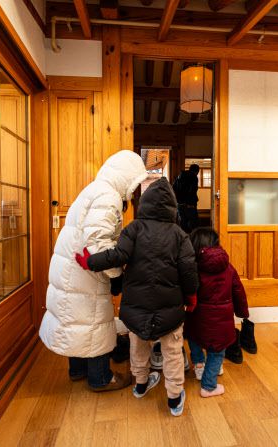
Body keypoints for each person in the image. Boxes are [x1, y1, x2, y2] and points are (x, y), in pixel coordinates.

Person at [75, 178, 199, 416]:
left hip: (136, 306)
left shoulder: (134, 228)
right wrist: (191, 296)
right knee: (173, 352)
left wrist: (90, 262)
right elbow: (188, 270)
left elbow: (117, 255)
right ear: (172, 207)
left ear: (145, 203)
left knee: (138, 346)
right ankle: (174, 398)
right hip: (170, 307)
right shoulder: (179, 234)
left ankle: (140, 385)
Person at [38, 150, 148, 392]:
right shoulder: (108, 196)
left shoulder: (94, 189)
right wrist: (117, 275)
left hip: (71, 267)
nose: (134, 191)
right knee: (93, 319)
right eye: (134, 184)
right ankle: (100, 378)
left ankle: (77, 370)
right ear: (126, 177)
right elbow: (98, 244)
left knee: (75, 317)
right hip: (85, 269)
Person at [184, 228, 249, 397]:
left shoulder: (193, 267)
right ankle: (209, 386)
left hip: (197, 316)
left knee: (194, 338)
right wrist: (242, 312)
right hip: (221, 321)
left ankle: (199, 365)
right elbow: (238, 291)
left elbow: (186, 290)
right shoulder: (228, 267)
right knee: (217, 351)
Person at [173, 163, 200, 233]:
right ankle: (193, 237)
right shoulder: (193, 176)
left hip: (180, 203)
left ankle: (183, 236)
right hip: (190, 203)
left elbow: (174, 188)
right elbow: (193, 190)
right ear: (196, 171)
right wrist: (189, 202)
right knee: (193, 222)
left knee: (183, 221)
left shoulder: (179, 176)